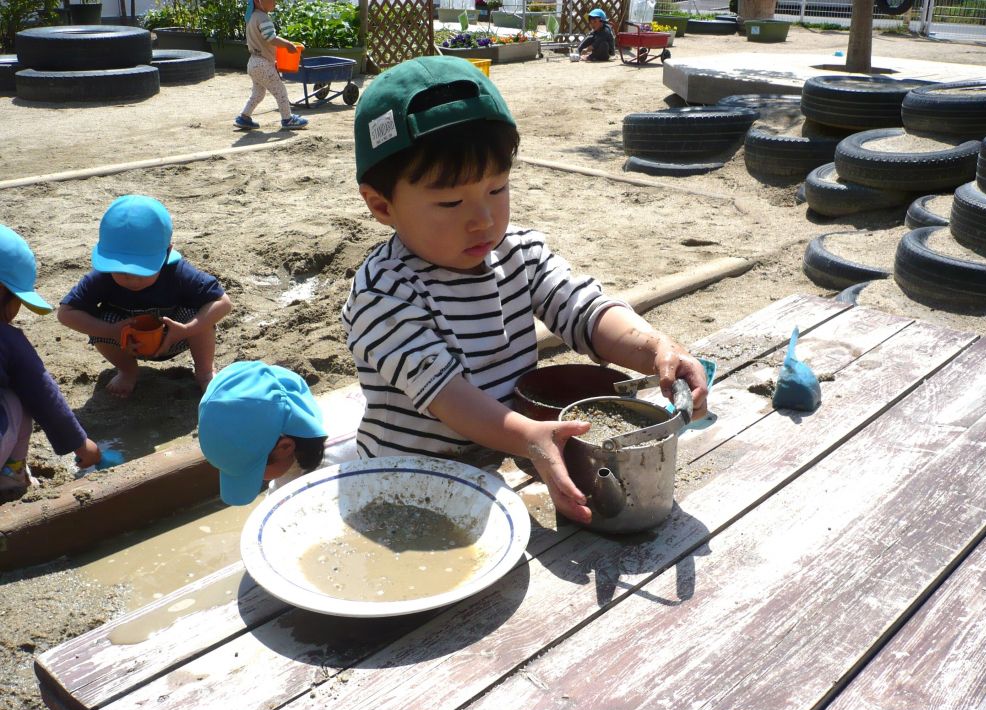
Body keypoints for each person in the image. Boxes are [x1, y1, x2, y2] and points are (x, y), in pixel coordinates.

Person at [342, 56, 708, 525]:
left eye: (497, 189)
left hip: (503, 461)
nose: (484, 219)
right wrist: (529, 437)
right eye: (450, 202)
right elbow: (450, 398)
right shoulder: (384, 294)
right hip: (408, 481)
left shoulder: (520, 253)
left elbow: (586, 312)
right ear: (381, 204)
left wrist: (656, 348)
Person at [57, 195, 233, 398]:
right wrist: (112, 331)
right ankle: (128, 371)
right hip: (126, 342)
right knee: (97, 321)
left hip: (175, 336)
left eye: (141, 271)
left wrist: (186, 329)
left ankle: (204, 373)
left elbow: (223, 303)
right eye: (120, 269)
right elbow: (66, 313)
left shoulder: (178, 273)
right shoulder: (103, 277)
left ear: (167, 253)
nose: (130, 278)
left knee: (199, 314)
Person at [0, 225, 102, 501]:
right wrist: (81, 445)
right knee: (17, 398)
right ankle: (11, 476)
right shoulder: (7, 339)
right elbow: (43, 395)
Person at [198, 361, 340, 506]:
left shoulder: (331, 467)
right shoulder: (294, 426)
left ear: (285, 447)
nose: (258, 481)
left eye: (257, 473)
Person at [234, 0, 308, 131]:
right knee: (280, 91)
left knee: (258, 93)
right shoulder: (263, 18)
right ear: (259, 2)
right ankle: (288, 119)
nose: (275, 2)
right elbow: (271, 38)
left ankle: (244, 117)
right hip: (262, 63)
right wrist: (288, 44)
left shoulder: (252, 17)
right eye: (272, 0)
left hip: (253, 62)